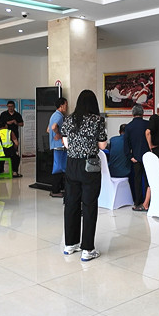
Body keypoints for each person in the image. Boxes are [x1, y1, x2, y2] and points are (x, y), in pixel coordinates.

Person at [60, 89, 107, 262]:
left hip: (71, 164)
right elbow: (102, 145)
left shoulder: (69, 119)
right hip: (89, 166)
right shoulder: (97, 120)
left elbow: (65, 143)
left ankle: (70, 244)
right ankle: (88, 249)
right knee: (89, 205)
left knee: (71, 204)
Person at [124, 105, 150, 211]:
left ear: (132, 113)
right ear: (143, 113)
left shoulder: (129, 127)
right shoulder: (148, 124)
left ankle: (138, 202)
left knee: (137, 180)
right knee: (148, 181)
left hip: (136, 158)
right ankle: (148, 202)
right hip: (148, 157)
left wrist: (130, 156)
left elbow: (126, 144)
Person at [47, 97, 67, 198]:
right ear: (61, 106)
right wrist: (58, 134)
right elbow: (53, 127)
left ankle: (59, 188)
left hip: (55, 145)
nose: (66, 108)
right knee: (59, 168)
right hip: (59, 146)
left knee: (60, 167)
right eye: (66, 105)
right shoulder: (59, 116)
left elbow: (48, 130)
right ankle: (55, 190)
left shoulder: (53, 115)